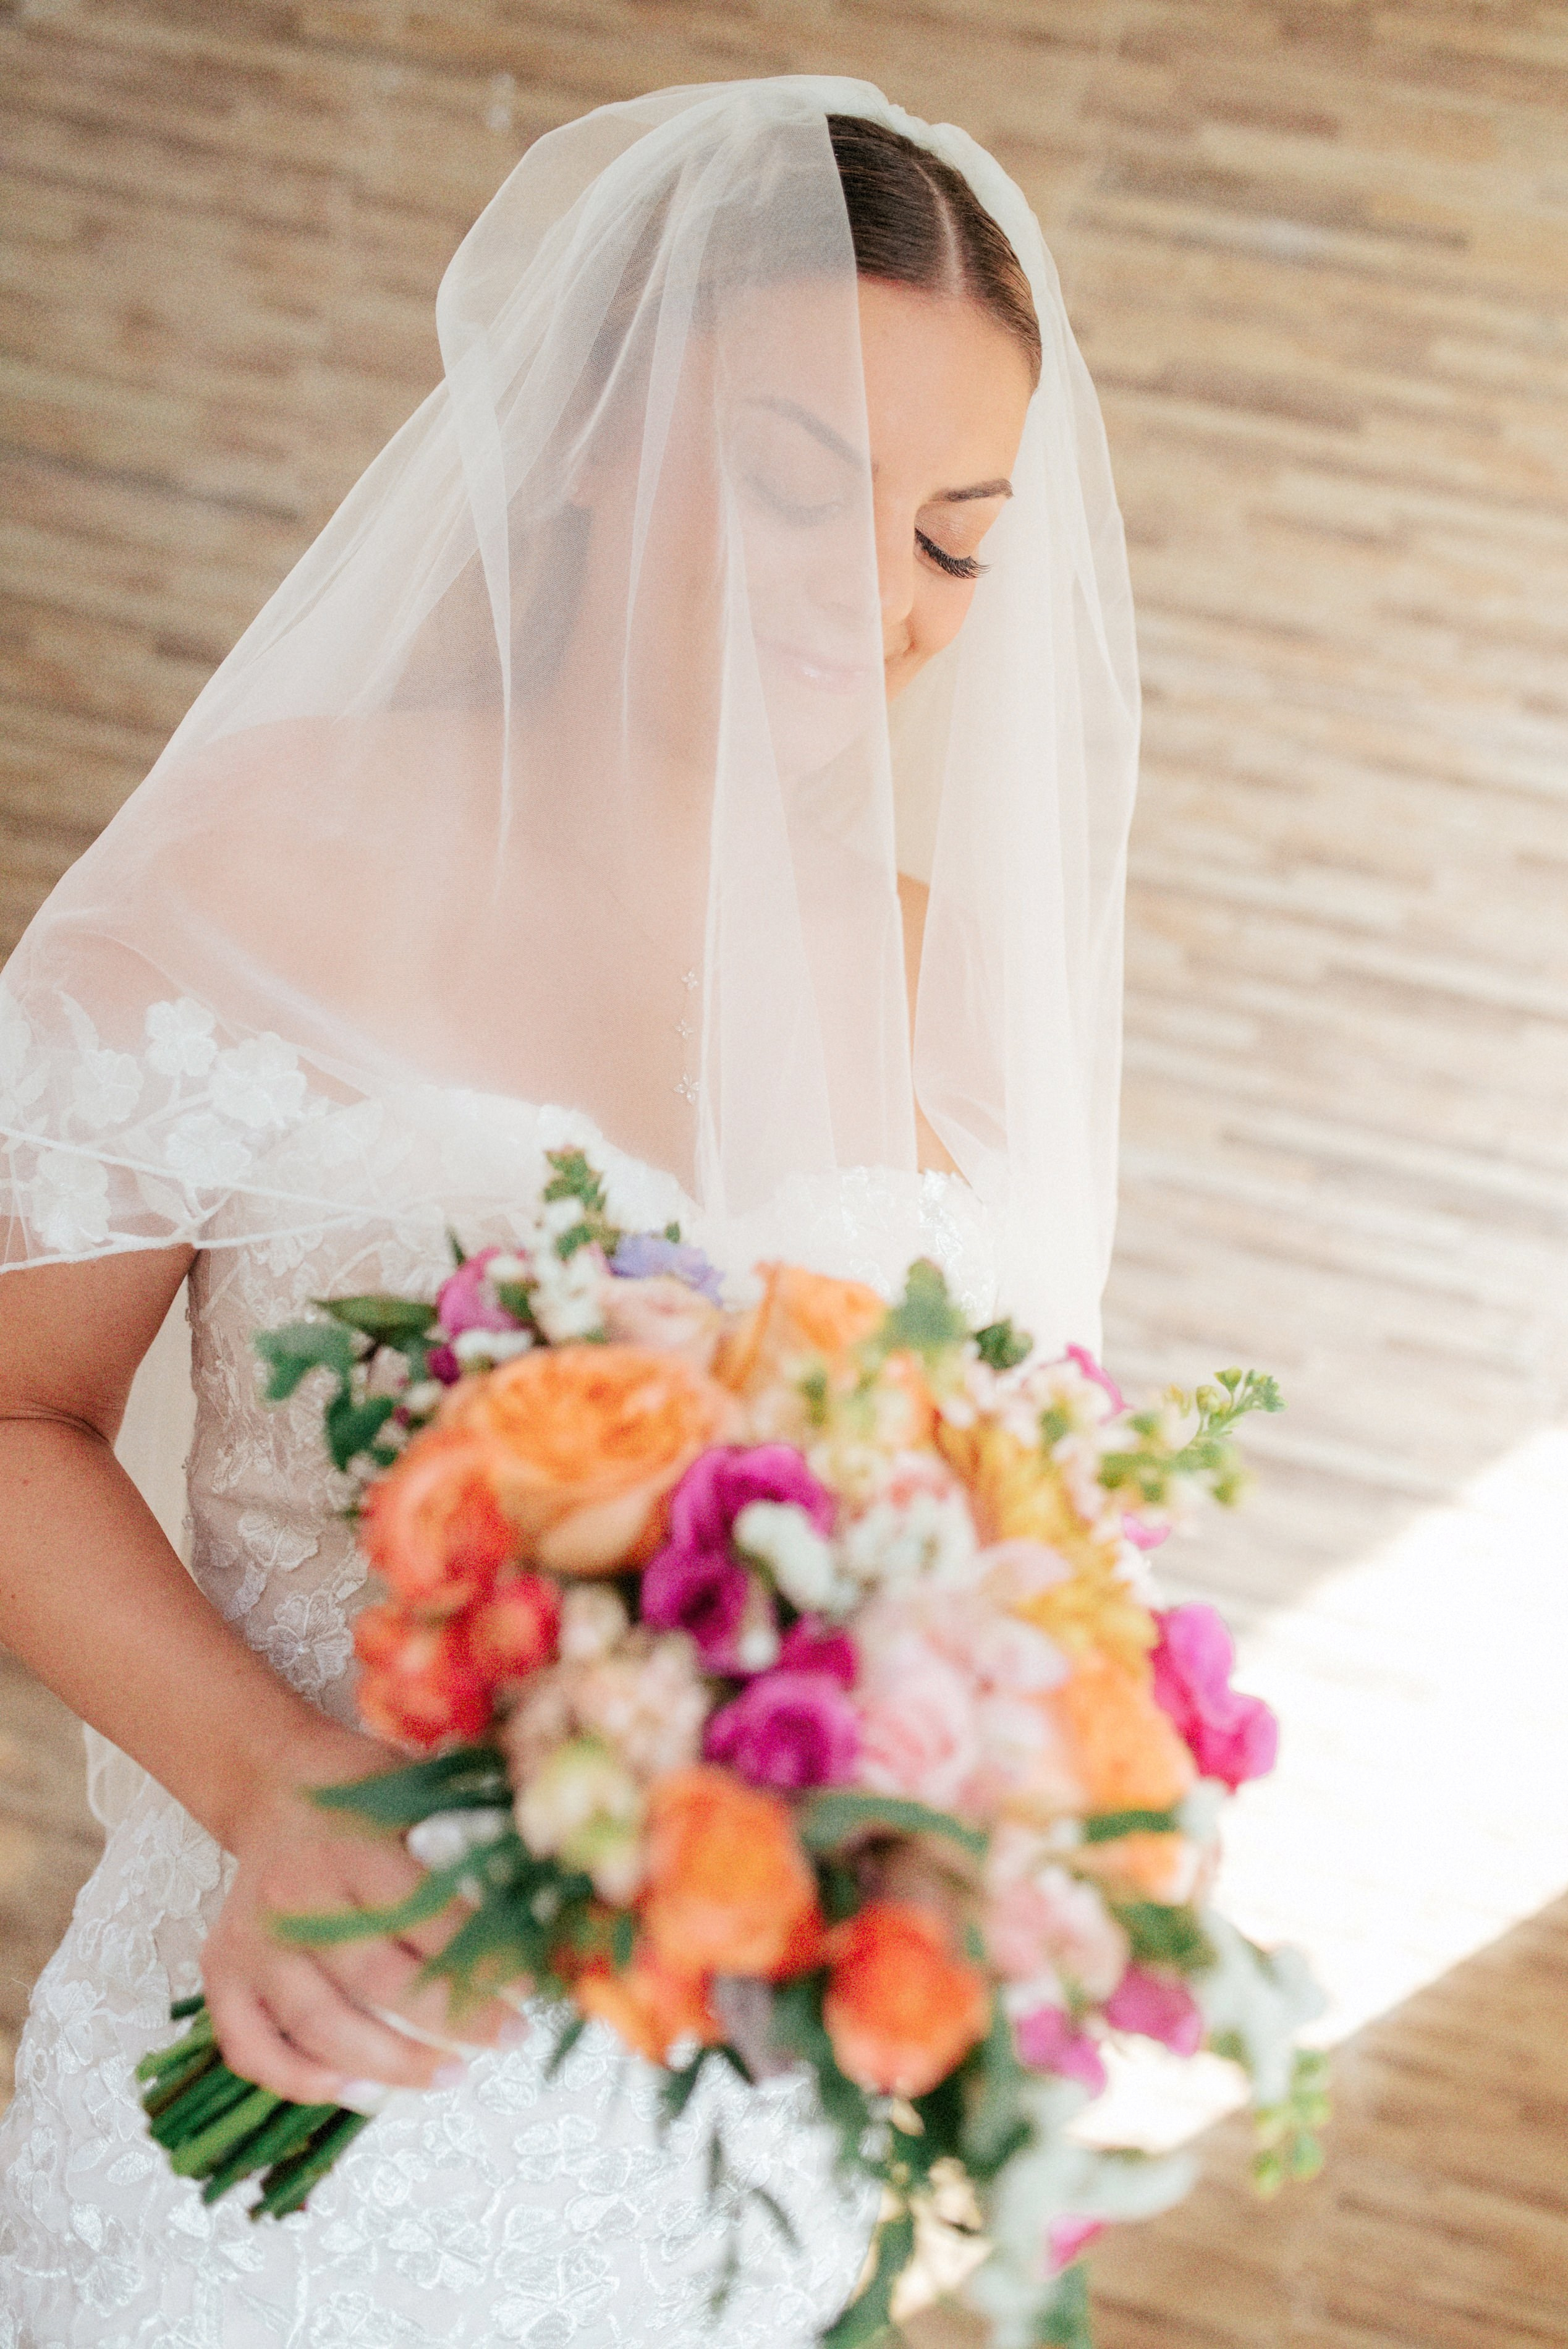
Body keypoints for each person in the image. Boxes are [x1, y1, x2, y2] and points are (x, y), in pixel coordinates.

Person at [0, 77, 1139, 2344]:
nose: (874, 594)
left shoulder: (951, 983)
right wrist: (275, 1784)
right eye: (798, 481)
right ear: (588, 428)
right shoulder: (263, 862)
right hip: (282, 2062)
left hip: (727, 2160)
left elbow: (1010, 1550)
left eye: (947, 536)